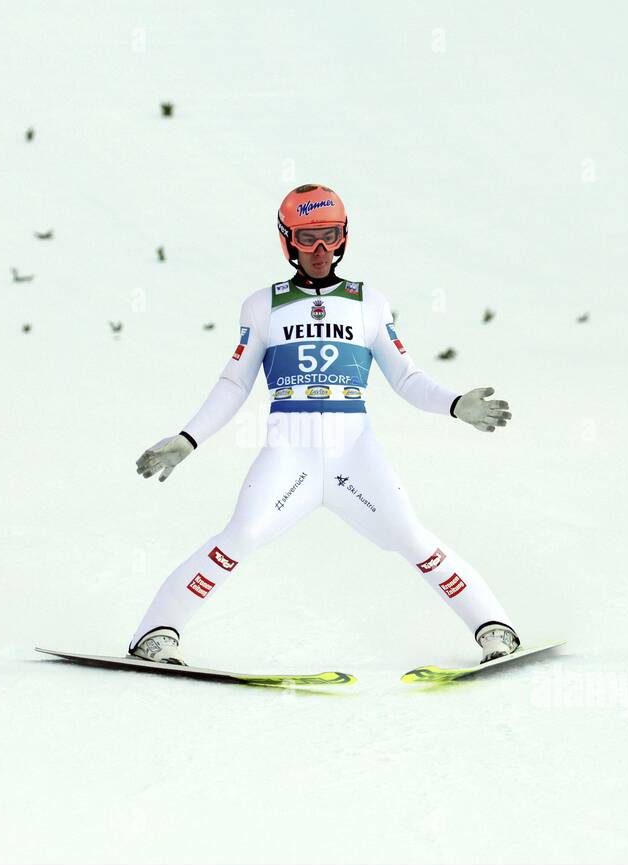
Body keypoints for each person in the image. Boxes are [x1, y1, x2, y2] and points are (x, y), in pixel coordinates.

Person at [130, 184, 516, 666]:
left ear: (344, 238)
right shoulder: (261, 305)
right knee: (243, 534)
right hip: (289, 453)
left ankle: (494, 629)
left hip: (354, 453)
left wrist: (456, 404)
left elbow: (408, 377)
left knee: (410, 536)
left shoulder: (369, 303)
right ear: (287, 242)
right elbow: (234, 383)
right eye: (307, 237)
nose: (319, 250)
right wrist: (188, 439)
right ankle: (155, 635)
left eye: (330, 236)